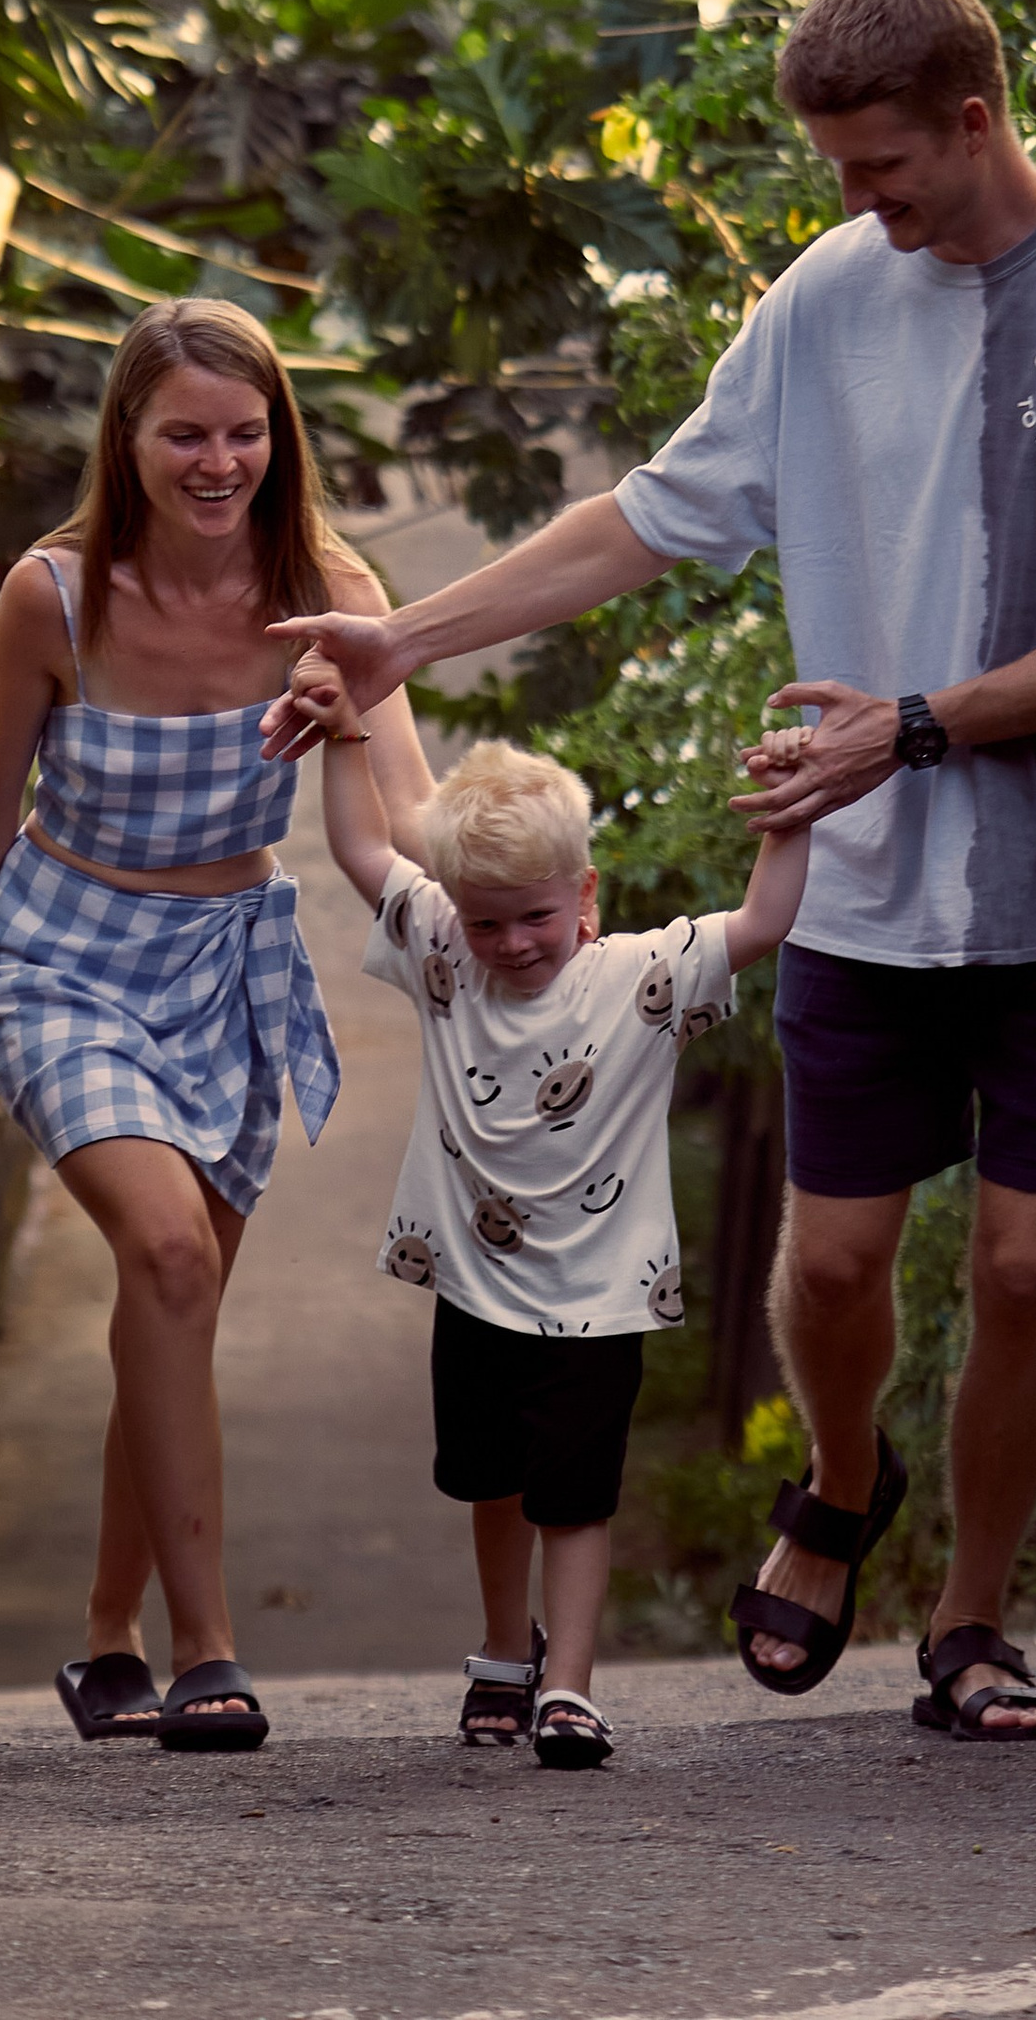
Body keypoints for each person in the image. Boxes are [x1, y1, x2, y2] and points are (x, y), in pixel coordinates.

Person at [261, 0, 1036, 1743]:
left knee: (1029, 1264)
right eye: (835, 170)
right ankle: (840, 1482)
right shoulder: (829, 296)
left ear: (974, 119)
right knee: (830, 1267)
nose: (854, 204)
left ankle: (972, 1621)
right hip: (870, 896)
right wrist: (403, 641)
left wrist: (913, 725)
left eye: (879, 165)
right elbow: (649, 521)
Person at [0, 299, 429, 1751]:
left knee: (173, 1309)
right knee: (164, 1256)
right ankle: (206, 1652)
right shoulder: (54, 597)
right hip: (62, 960)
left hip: (226, 966)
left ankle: (105, 1638)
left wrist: (526, 930)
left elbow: (411, 808)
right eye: (186, 435)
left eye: (245, 432)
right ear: (130, 439)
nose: (218, 462)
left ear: (280, 436)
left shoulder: (331, 587)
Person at [295, 679, 809, 1768]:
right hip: (473, 1286)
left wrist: (791, 811)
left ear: (586, 893)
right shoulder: (441, 953)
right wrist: (343, 732)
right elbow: (352, 846)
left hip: (598, 1296)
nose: (512, 943)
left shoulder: (640, 978)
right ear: (454, 907)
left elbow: (764, 921)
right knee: (492, 1479)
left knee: (575, 1496)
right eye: (486, 921)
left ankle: (567, 1687)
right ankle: (501, 1648)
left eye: (535, 916)